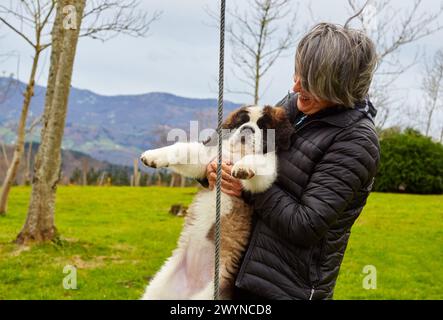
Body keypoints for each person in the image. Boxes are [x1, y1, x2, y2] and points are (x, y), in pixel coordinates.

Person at [205, 23, 381, 300]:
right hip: (237, 270)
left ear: (339, 87)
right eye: (299, 73)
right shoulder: (296, 103)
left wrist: (245, 185)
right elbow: (228, 146)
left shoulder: (356, 142)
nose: (296, 86)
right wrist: (213, 170)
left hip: (283, 289)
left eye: (310, 82)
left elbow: (305, 225)